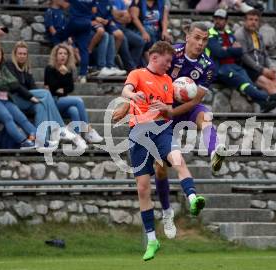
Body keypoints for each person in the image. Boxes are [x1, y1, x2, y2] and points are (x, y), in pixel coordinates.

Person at [112, 41, 206, 261]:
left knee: (177, 159)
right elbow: (126, 89)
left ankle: (192, 198)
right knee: (143, 188)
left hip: (162, 130)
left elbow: (168, 112)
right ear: (155, 57)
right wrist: (131, 97)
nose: (169, 66)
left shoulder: (168, 82)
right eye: (167, 61)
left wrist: (168, 109)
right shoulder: (137, 74)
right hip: (139, 135)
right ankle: (152, 239)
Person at [155, 22, 225, 239]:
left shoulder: (208, 66)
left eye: (204, 40)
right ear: (187, 36)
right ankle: (167, 211)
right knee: (161, 169)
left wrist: (172, 112)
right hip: (162, 112)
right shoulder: (170, 53)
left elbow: (196, 99)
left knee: (206, 116)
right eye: (197, 38)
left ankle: (214, 151)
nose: (200, 43)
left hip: (182, 110)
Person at [206, 9, 276, 113]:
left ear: (226, 21)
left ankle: (263, 104)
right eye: (216, 18)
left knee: (248, 82)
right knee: (242, 82)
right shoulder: (210, 34)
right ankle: (267, 97)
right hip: (220, 68)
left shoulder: (229, 33)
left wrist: (226, 49)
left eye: (221, 19)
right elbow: (218, 53)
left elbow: (240, 51)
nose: (218, 21)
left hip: (233, 65)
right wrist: (231, 49)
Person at [6, 41, 77, 147]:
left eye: (24, 54)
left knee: (41, 105)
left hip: (26, 100)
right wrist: (32, 97)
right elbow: (16, 87)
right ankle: (61, 128)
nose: (22, 56)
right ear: (15, 54)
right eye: (20, 53)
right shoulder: (9, 65)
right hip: (14, 99)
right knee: (46, 94)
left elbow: (33, 86)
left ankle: (42, 140)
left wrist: (36, 97)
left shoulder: (26, 68)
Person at [44, 44, 103, 149]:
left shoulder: (68, 69)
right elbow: (52, 87)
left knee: (74, 110)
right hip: (53, 101)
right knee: (78, 101)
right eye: (60, 53)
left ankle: (78, 138)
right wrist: (61, 76)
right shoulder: (49, 69)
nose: (62, 56)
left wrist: (63, 82)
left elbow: (70, 87)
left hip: (65, 102)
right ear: (56, 55)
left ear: (68, 56)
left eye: (65, 54)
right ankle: (89, 131)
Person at [0, 44, 36, 149]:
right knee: (8, 118)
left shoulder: (2, 67)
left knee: (22, 119)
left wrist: (4, 83)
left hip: (6, 100)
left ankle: (39, 139)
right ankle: (23, 142)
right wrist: (6, 83)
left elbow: (15, 82)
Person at [91, 0, 127, 76]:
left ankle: (110, 65)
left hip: (103, 24)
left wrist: (107, 20)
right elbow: (88, 13)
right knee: (105, 35)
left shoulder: (108, 2)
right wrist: (95, 18)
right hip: (92, 24)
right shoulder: (92, 1)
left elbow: (110, 15)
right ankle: (101, 67)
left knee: (111, 35)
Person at [112, 0, 145, 71]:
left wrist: (116, 17)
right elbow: (111, 16)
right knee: (124, 40)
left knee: (140, 41)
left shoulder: (120, 2)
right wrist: (120, 15)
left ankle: (131, 67)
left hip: (122, 28)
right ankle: (131, 68)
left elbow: (128, 19)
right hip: (111, 28)